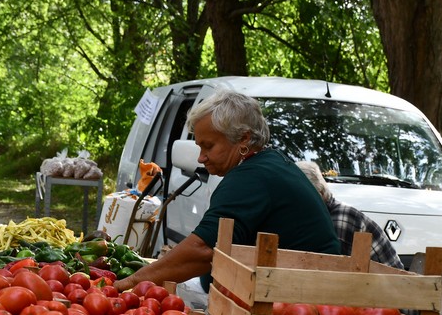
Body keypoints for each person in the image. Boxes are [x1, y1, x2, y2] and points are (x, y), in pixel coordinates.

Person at [114, 89, 340, 293]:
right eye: (199, 147)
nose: (201, 158)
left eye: (208, 146)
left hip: (305, 298)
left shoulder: (251, 178)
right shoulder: (270, 163)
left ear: (244, 138)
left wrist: (128, 284)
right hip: (308, 289)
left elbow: (201, 251)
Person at [296, 161, 405, 270]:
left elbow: (331, 270)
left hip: (390, 284)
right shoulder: (327, 215)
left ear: (320, 194)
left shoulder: (341, 218)